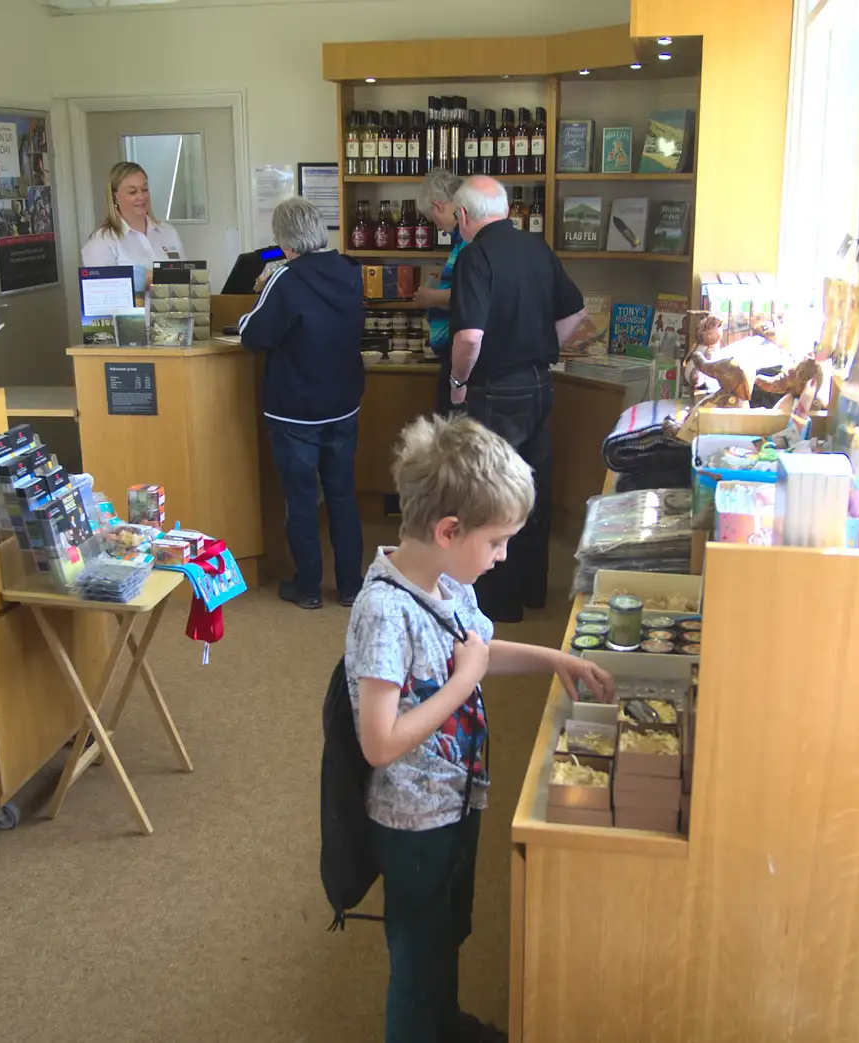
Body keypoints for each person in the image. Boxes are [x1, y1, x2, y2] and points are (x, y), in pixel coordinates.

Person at [345, 414, 614, 1043]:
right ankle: (420, 1026)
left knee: (448, 931)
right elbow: (379, 742)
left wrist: (555, 658)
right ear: (448, 530)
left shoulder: (447, 580)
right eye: (496, 543)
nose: (503, 557)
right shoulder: (385, 611)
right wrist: (464, 681)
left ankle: (442, 1022)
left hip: (457, 795)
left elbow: (480, 652)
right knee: (418, 955)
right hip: (412, 817)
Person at [445, 175, 587, 623]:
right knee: (532, 490)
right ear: (505, 210)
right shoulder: (538, 249)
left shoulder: (474, 257)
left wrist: (457, 380)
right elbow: (576, 311)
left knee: (491, 493)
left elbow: (469, 336)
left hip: (494, 390)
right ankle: (534, 589)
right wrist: (544, 345)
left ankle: (500, 602)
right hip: (540, 385)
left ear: (464, 216)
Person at [238, 196, 365, 609]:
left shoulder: (286, 278)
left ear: (286, 243)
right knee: (343, 495)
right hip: (343, 402)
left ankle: (308, 587)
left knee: (301, 498)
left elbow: (253, 334)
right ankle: (350, 586)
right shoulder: (349, 271)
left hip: (295, 409)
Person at [410, 168, 465, 415]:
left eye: (433, 219)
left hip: (461, 361)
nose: (439, 228)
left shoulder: (468, 241)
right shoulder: (461, 240)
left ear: (437, 206)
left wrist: (431, 297)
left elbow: (472, 296)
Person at [80, 162, 186, 272]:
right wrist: (146, 280)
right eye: (132, 192)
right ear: (115, 197)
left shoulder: (168, 232)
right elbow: (102, 287)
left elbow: (184, 276)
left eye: (145, 190)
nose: (141, 196)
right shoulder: (102, 241)